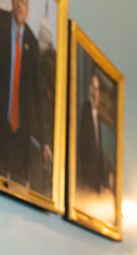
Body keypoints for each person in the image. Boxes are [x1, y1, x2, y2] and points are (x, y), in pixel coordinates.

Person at [0, 0, 50, 189]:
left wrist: (44, 141)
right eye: (18, 2)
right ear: (13, 3)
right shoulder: (1, 23)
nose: (21, 7)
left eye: (25, 3)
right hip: (1, 126)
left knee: (19, 187)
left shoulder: (32, 42)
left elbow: (38, 95)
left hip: (20, 134)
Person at [76, 69, 110, 197]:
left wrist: (104, 182)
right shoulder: (86, 109)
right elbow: (82, 144)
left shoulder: (98, 118)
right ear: (90, 90)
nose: (95, 92)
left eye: (97, 89)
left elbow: (98, 151)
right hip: (86, 175)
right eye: (93, 88)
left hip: (95, 180)